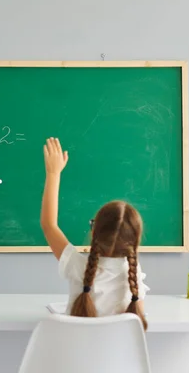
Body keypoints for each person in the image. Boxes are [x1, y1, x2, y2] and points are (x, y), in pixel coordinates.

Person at [39, 137, 149, 329]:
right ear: (135, 240)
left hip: (73, 359)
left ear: (94, 232)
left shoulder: (77, 266)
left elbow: (48, 225)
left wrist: (53, 173)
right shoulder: (133, 274)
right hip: (118, 360)